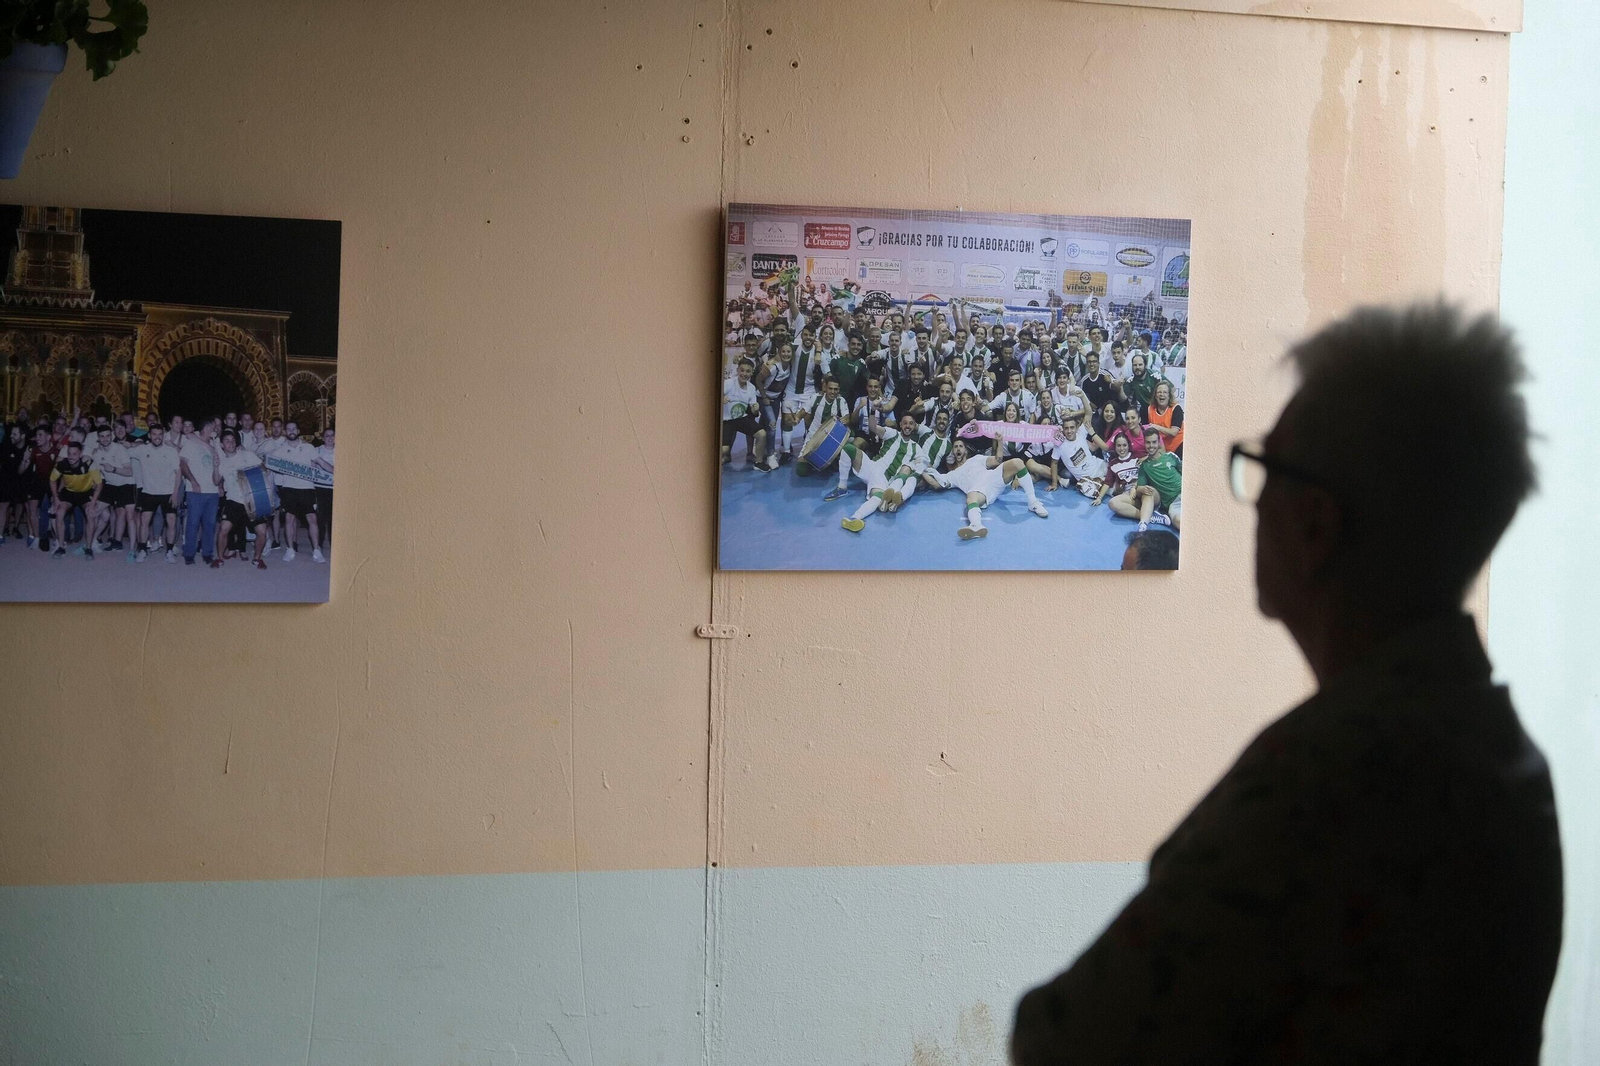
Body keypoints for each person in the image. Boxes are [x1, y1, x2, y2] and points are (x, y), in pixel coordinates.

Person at [1011, 303, 1560, 1066]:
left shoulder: (1326, 780)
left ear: (1314, 526)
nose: (1252, 498)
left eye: (1263, 465)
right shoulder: (1502, 759)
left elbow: (1069, 1040)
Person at [928, 437, 1048, 539]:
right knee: (971, 498)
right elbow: (936, 484)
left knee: (1017, 462)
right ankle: (976, 526)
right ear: (952, 452)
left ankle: (1033, 502)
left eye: (961, 446)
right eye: (955, 447)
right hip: (978, 491)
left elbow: (997, 460)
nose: (958, 448)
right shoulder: (952, 475)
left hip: (992, 479)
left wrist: (1000, 441)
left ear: (965, 449)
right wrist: (920, 470)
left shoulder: (976, 459)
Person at [832, 409, 926, 532]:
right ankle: (842, 487)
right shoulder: (892, 433)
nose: (908, 426)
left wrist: (916, 465)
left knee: (876, 498)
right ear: (901, 425)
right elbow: (873, 427)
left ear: (914, 426)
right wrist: (872, 411)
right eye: (905, 423)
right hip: (871, 466)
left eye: (911, 423)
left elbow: (924, 462)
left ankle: (854, 518)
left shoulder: (916, 448)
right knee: (848, 449)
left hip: (883, 479)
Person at [215, 429, 271, 569]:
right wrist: (216, 467)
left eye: (233, 440)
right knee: (223, 530)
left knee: (262, 531)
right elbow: (216, 481)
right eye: (227, 441)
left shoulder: (247, 454)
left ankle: (257, 559)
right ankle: (220, 558)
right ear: (222, 445)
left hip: (253, 500)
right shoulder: (222, 462)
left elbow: (263, 469)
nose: (231, 443)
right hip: (233, 501)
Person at [273, 420, 325, 563]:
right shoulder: (279, 451)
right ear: (285, 432)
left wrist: (334, 472)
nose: (291, 431)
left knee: (312, 519)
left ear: (298, 431)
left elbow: (320, 462)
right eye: (288, 429)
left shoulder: (308, 447)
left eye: (294, 428)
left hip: (307, 488)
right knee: (289, 519)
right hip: (288, 489)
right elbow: (268, 464)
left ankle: (316, 550)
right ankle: (290, 550)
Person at [134, 422, 182, 563]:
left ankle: (169, 550)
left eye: (160, 434)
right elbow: (125, 446)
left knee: (171, 522)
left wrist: (175, 493)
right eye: (154, 434)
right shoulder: (142, 449)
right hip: (149, 492)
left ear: (163, 435)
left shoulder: (171, 451)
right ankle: (142, 549)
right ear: (149, 436)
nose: (157, 437)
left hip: (168, 492)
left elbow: (178, 473)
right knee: (144, 522)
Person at [178, 418, 222, 567]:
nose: (214, 429)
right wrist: (193, 481)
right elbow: (182, 464)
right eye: (211, 426)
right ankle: (189, 553)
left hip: (212, 491)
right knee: (193, 523)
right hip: (196, 490)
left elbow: (219, 468)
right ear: (203, 428)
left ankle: (207, 552)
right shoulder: (191, 444)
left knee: (210, 524)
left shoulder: (215, 445)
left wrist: (220, 486)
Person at [48, 440, 102, 559]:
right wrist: (56, 498)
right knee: (59, 512)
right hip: (69, 492)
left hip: (85, 492)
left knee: (90, 513)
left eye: (75, 454)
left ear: (80, 454)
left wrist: (93, 503)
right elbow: (52, 480)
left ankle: (88, 548)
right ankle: (61, 547)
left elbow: (99, 484)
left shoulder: (89, 464)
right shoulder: (62, 464)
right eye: (69, 453)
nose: (71, 457)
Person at [720, 358, 768, 471]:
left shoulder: (751, 388)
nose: (744, 374)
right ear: (737, 370)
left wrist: (755, 409)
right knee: (724, 451)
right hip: (726, 420)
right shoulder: (728, 384)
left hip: (741, 419)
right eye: (742, 370)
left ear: (751, 373)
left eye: (748, 371)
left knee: (762, 434)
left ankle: (759, 462)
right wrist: (721, 398)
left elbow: (753, 412)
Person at [1146, 379, 1184, 458]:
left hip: (1179, 445)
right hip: (1161, 448)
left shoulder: (1176, 409)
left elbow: (1174, 432)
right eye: (1159, 392)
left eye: (1165, 392)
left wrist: (1157, 427)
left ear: (1169, 396)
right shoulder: (1150, 409)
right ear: (1155, 396)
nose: (1161, 394)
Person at [313, 426, 334, 555]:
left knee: (334, 520)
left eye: (332, 435)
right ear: (323, 438)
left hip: (336, 490)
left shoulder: (342, 450)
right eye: (327, 435)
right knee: (321, 519)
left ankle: (334, 546)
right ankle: (318, 546)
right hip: (321, 489)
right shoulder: (317, 451)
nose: (330, 438)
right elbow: (312, 467)